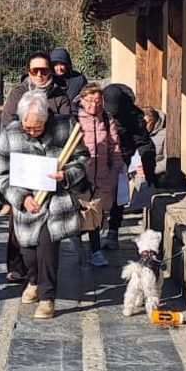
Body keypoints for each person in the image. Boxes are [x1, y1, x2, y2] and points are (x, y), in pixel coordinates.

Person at [0, 91, 89, 319]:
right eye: (28, 127)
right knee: (28, 253)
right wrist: (21, 198)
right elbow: (2, 174)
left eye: (38, 127)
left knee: (47, 247)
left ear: (46, 117)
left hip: (56, 200)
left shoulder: (65, 126)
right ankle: (34, 281)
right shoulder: (10, 133)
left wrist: (66, 175)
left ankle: (47, 298)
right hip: (27, 202)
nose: (32, 131)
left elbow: (83, 158)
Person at [1, 52, 75, 280]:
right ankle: (17, 266)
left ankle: (43, 276)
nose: (40, 74)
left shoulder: (60, 95)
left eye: (44, 70)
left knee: (47, 224)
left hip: (49, 163)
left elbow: (66, 127)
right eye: (35, 70)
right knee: (19, 218)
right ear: (28, 71)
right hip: (23, 163)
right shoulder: (17, 93)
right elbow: (6, 124)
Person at [101, 83, 163, 246]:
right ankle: (94, 233)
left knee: (118, 194)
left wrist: (149, 171)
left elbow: (144, 143)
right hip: (98, 155)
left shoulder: (133, 115)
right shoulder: (94, 108)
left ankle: (113, 231)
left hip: (122, 156)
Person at [77, 82, 122, 267]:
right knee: (79, 212)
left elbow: (114, 147)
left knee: (96, 213)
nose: (94, 105)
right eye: (89, 100)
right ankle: (76, 246)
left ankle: (95, 252)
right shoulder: (75, 119)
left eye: (98, 101)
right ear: (82, 100)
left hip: (101, 174)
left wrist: (116, 169)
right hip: (79, 175)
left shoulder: (106, 119)